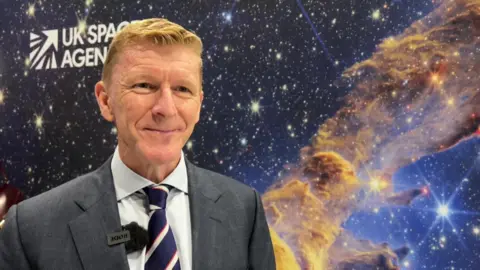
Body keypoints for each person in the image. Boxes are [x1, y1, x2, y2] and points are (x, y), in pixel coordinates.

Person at [0, 18, 276, 270]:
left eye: (182, 89)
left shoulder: (243, 210)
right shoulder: (31, 228)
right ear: (106, 101)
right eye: (144, 85)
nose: (166, 108)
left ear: (199, 105)